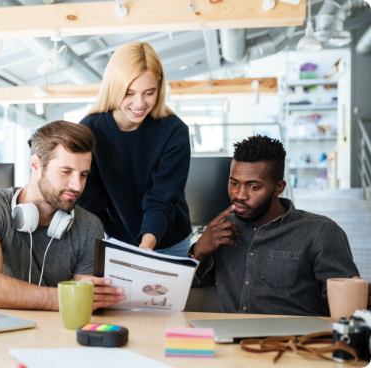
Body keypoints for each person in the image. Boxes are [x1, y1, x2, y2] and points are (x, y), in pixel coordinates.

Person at [191, 135, 369, 316]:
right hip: (228, 339)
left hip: (294, 341)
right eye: (234, 183)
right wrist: (199, 252)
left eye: (253, 187)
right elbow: (193, 286)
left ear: (279, 187)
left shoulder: (320, 233)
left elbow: (347, 308)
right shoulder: (222, 229)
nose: (239, 195)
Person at [0, 121, 124, 310]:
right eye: (66, 172)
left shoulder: (88, 225)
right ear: (36, 164)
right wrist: (64, 298)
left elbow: (84, 304)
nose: (77, 186)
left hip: (55, 334)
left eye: (84, 175)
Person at [77, 41, 191, 257]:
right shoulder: (90, 130)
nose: (139, 103)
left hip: (169, 241)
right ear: (113, 88)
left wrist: (146, 247)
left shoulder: (174, 131)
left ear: (160, 88)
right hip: (116, 242)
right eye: (128, 93)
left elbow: (162, 199)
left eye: (149, 92)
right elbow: (90, 203)